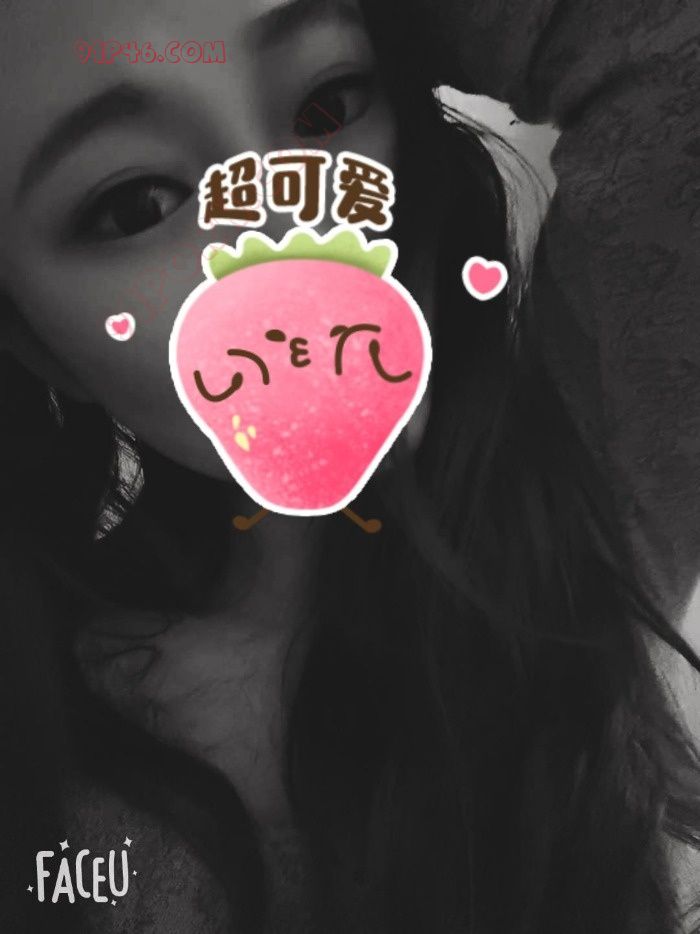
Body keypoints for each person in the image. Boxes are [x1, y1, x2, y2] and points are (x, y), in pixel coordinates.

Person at [0, 1, 698, 933]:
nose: (297, 229)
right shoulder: (36, 755)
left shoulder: (576, 507)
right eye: (136, 205)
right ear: (36, 346)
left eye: (329, 106)